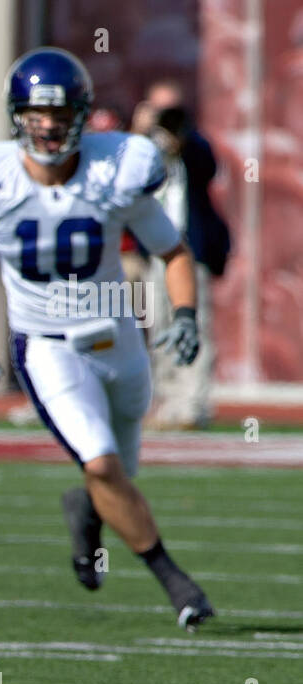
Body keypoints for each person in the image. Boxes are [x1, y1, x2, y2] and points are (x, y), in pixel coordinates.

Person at [0, 47, 215, 630]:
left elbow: (174, 250)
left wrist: (185, 315)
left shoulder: (115, 172)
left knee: (115, 472)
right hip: (47, 344)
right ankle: (176, 583)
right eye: (38, 114)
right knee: (104, 463)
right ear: (18, 117)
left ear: (83, 117)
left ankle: (85, 507)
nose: (50, 126)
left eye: (61, 115)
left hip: (119, 335)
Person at [131, 79, 230, 429]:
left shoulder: (194, 145)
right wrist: (140, 133)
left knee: (192, 324)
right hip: (155, 250)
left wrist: (180, 139)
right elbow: (125, 178)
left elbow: (209, 166)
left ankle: (194, 403)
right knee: (158, 324)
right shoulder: (141, 148)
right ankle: (170, 401)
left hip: (189, 250)